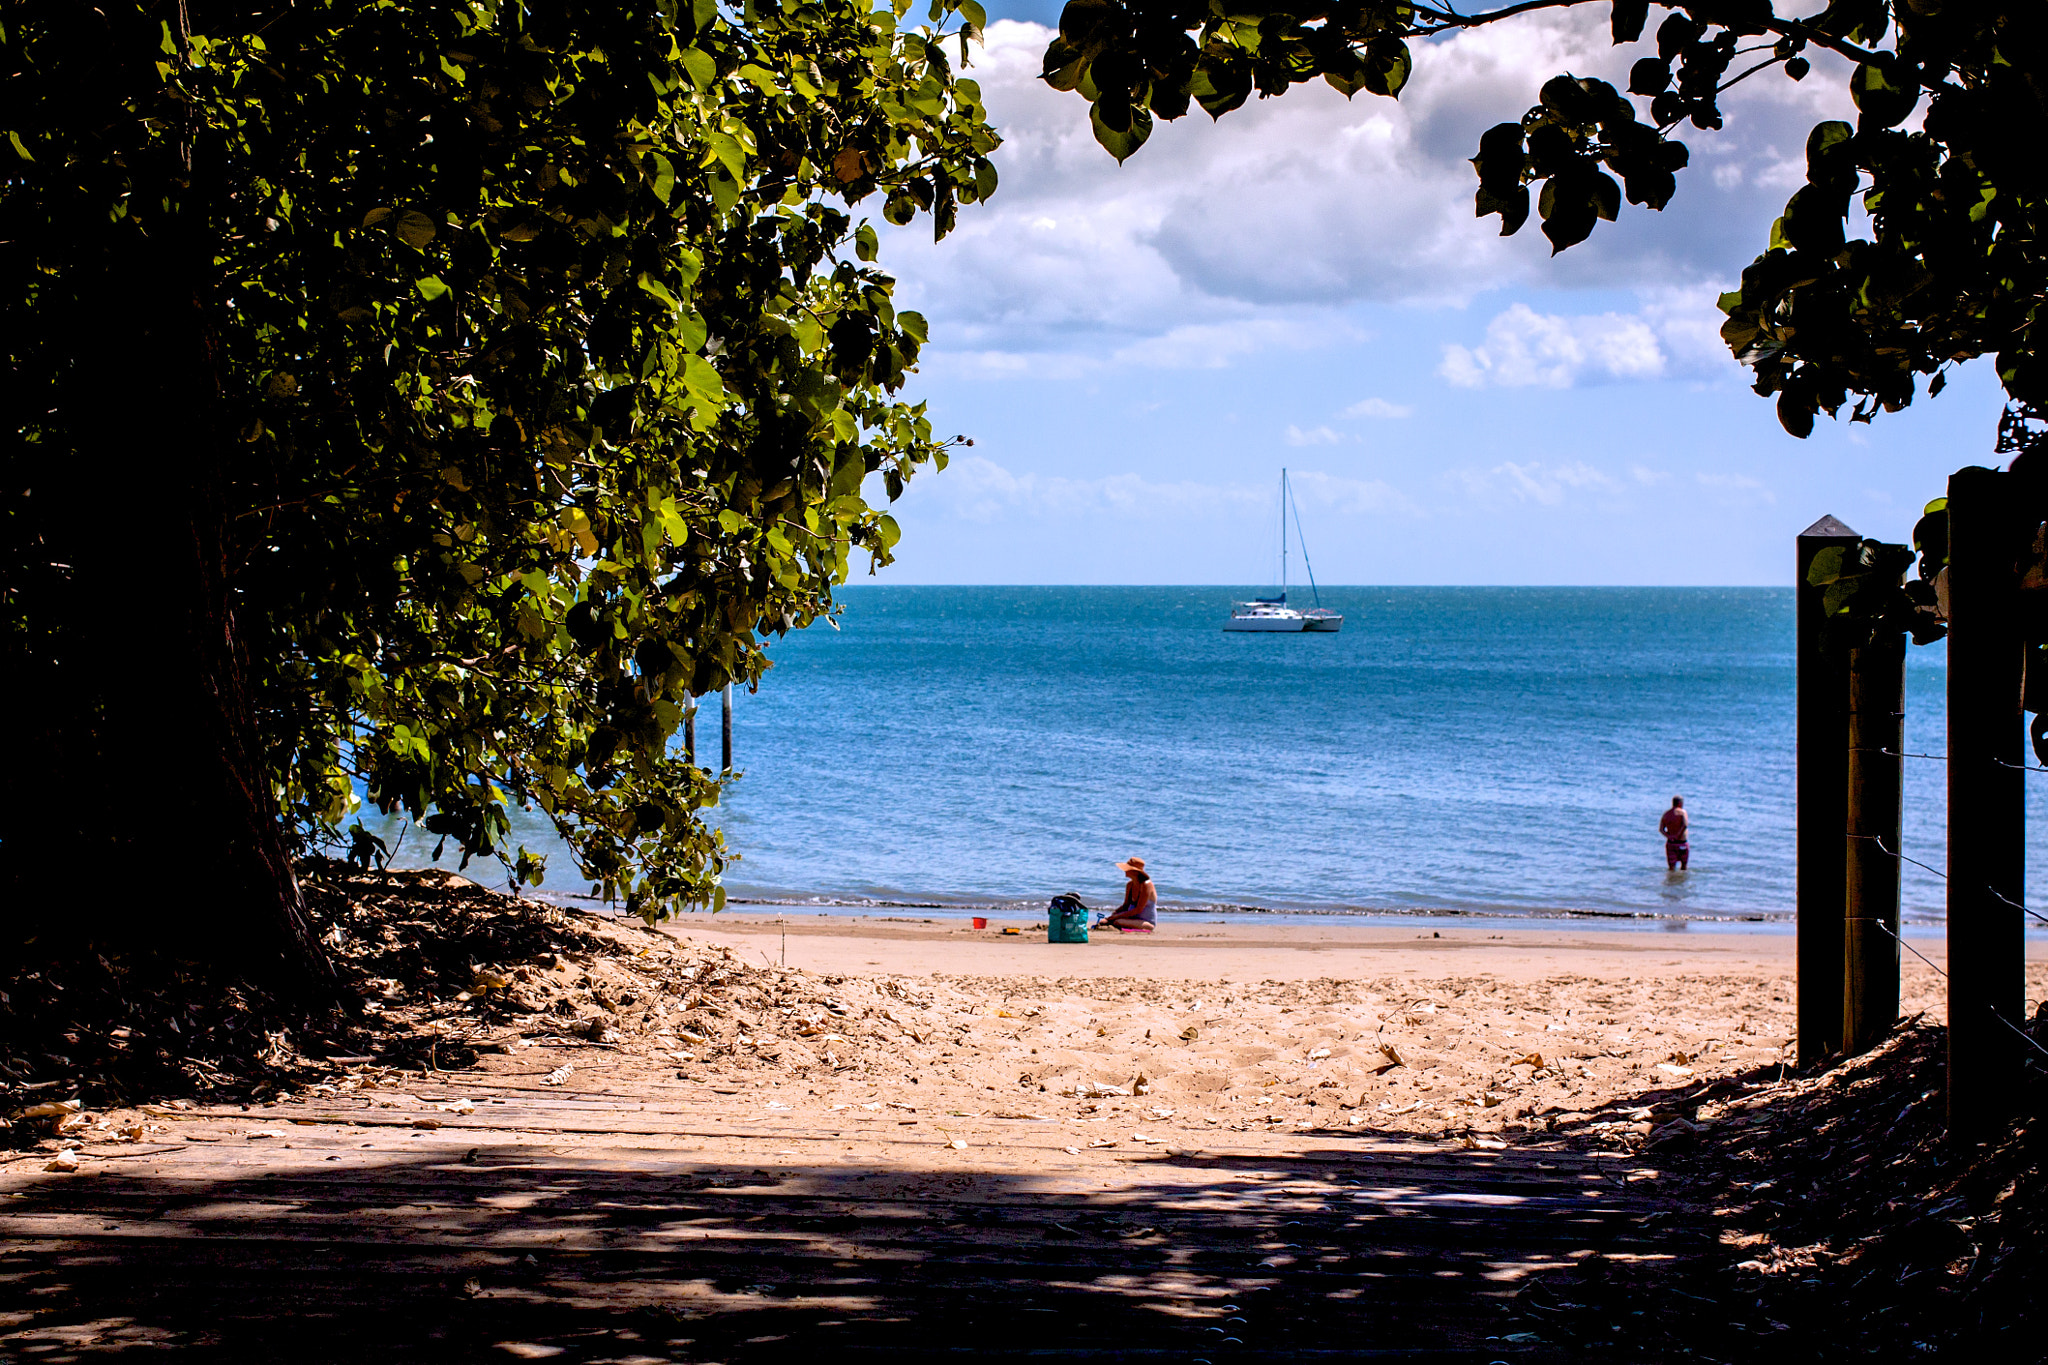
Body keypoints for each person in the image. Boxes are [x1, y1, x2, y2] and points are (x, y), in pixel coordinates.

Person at [1099, 856, 1158, 933]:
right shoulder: (1130, 885)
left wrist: (1116, 917)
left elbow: (1138, 909)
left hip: (1146, 922)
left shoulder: (1146, 885)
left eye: (1127, 868)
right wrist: (1112, 915)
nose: (1124, 870)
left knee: (1118, 922)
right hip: (1132, 918)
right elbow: (1125, 905)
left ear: (1135, 872)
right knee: (1108, 921)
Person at [1659, 797, 1690, 871]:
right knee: (1684, 866)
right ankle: (1681, 882)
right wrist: (1678, 835)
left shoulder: (1666, 814)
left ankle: (1671, 881)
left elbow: (1661, 829)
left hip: (1671, 843)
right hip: (1681, 843)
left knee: (1671, 867)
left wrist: (1669, 836)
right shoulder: (1682, 812)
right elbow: (1685, 825)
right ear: (1680, 803)